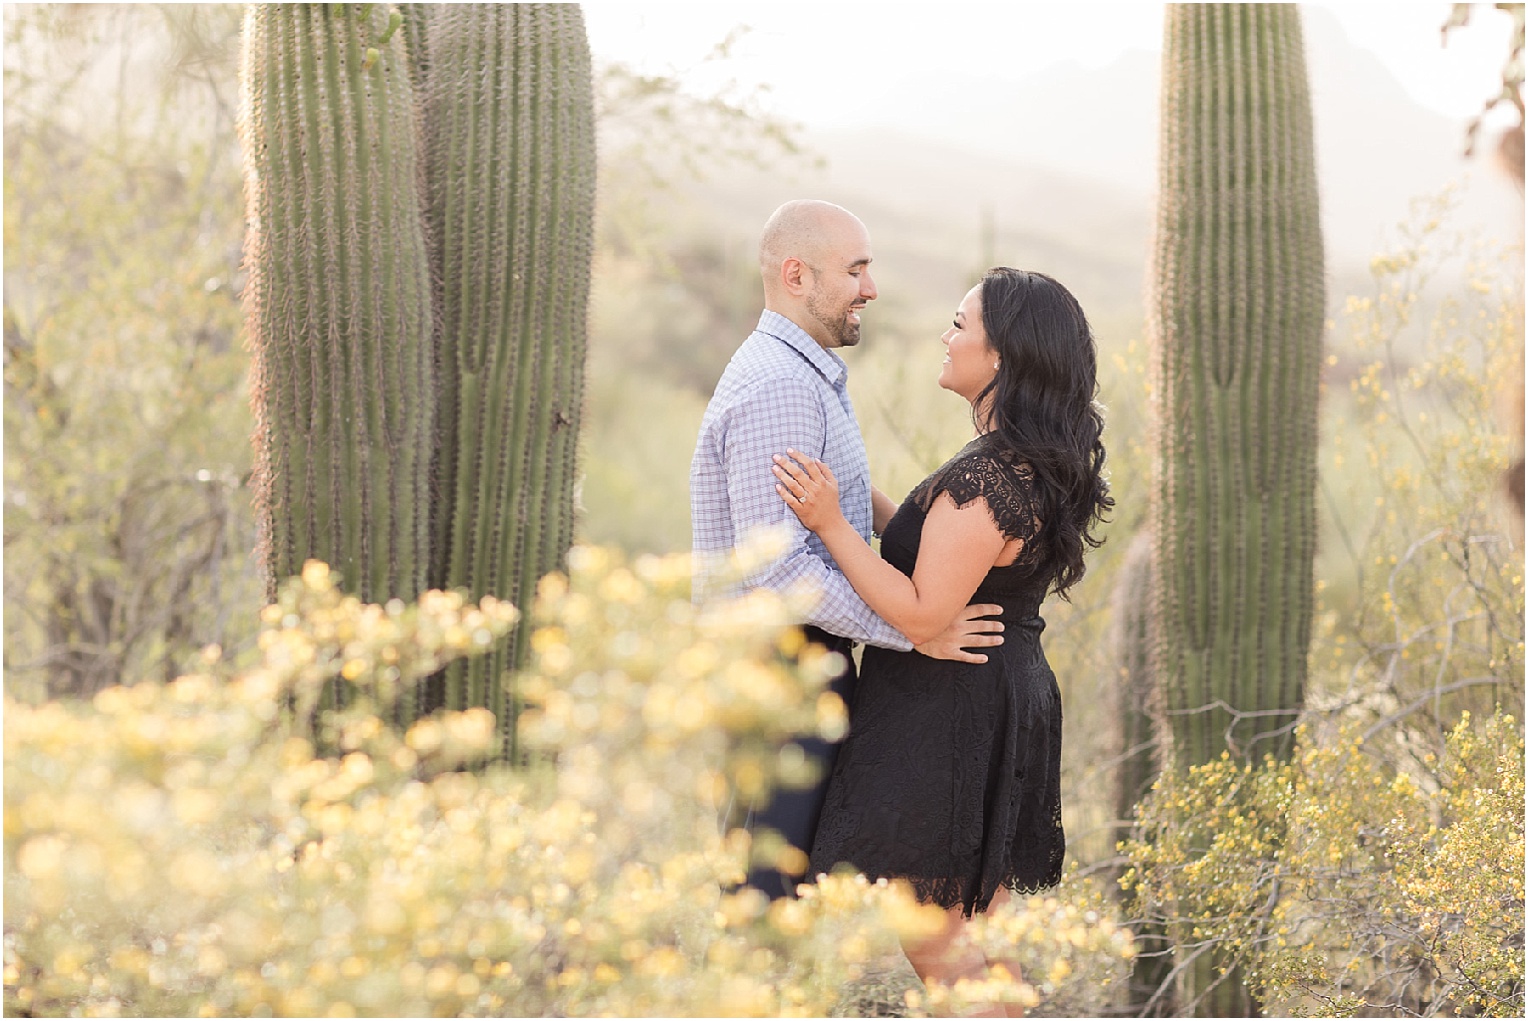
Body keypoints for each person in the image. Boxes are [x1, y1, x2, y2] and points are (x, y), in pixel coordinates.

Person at [770, 267, 1111, 1014]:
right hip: (992, 698)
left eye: (961, 324)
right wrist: (861, 499)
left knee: (934, 933)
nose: (947, 336)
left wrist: (829, 521)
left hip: (951, 713)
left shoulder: (989, 475)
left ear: (1002, 357)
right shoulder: (1023, 463)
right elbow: (940, 550)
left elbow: (923, 613)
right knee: (979, 932)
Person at [690, 199, 1007, 902]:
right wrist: (915, 628)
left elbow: (840, 516)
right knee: (764, 895)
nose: (871, 287)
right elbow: (779, 571)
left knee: (775, 888)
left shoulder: (806, 375)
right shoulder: (780, 386)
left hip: (795, 665)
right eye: (856, 269)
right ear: (797, 275)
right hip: (780, 668)